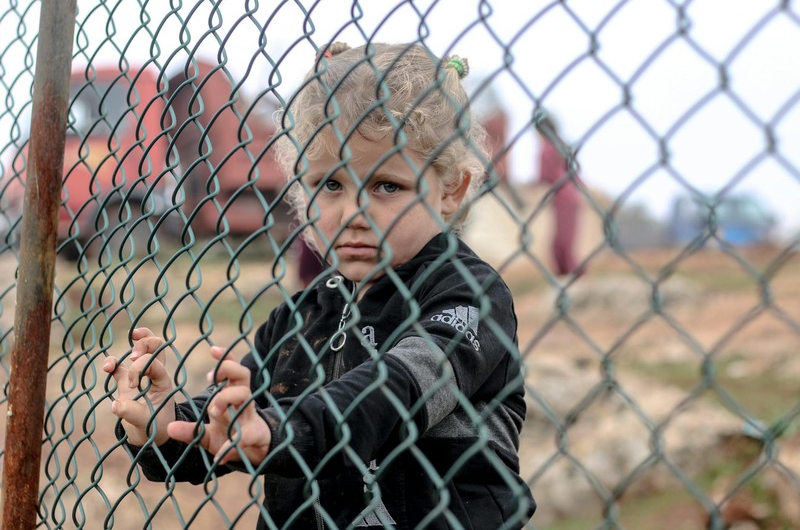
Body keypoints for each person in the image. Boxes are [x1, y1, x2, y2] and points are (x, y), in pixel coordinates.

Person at [103, 42, 536, 529]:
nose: (352, 215)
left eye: (386, 186)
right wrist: (164, 427)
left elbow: (397, 391)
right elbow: (235, 425)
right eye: (329, 184)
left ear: (451, 189)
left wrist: (280, 431)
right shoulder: (301, 315)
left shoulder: (466, 294)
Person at [535, 112, 584, 277]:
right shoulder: (562, 146)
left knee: (561, 242)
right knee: (567, 238)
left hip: (561, 196)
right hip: (573, 194)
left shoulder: (546, 149)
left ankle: (570, 273)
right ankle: (570, 275)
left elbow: (544, 176)